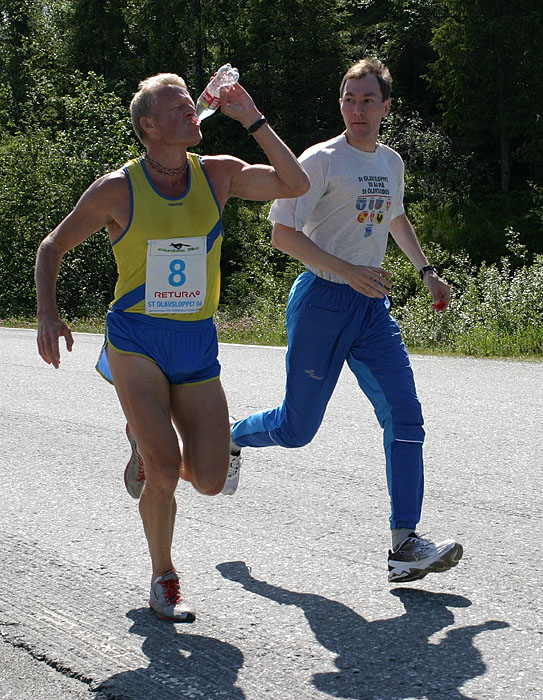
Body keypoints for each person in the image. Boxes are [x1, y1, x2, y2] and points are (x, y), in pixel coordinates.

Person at [35, 72, 310, 622]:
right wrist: (47, 312)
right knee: (164, 472)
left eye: (192, 103)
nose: (192, 111)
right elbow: (52, 246)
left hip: (195, 340)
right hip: (136, 338)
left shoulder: (218, 174)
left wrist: (251, 117)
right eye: (178, 107)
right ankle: (164, 577)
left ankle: (145, 444)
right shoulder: (117, 189)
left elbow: (295, 183)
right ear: (149, 125)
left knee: (209, 480)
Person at [226, 58, 463, 583]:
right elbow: (282, 234)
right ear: (340, 105)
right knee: (296, 429)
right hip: (322, 302)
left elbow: (394, 216)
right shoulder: (320, 160)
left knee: (406, 417)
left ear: (386, 107)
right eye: (350, 100)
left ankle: (405, 545)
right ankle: (232, 436)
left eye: (368, 101)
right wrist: (347, 271)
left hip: (370, 309)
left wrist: (427, 272)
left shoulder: (391, 162)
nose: (358, 110)